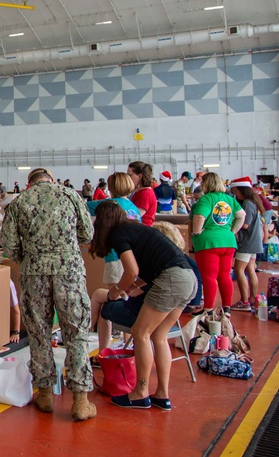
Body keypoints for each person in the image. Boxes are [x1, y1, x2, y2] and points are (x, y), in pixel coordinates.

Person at [0, 167, 96, 422]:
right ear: (51, 180)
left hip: (34, 273)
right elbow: (87, 232)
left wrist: (31, 258)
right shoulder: (70, 195)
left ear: (29, 183)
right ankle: (80, 401)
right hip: (69, 271)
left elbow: (8, 244)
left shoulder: (19, 202)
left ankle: (44, 394)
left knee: (39, 332)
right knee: (76, 333)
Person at [90, 201, 198, 410]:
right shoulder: (136, 229)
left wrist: (116, 290)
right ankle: (162, 395)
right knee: (159, 336)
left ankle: (140, 392)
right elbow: (146, 270)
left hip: (171, 280)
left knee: (141, 334)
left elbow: (131, 271)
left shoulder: (119, 235)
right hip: (188, 280)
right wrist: (129, 289)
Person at [191, 172, 245, 311]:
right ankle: (226, 308)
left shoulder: (206, 199)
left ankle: (208, 308)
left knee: (209, 276)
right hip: (228, 241)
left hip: (208, 242)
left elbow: (199, 217)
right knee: (225, 275)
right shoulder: (229, 199)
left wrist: (196, 233)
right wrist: (232, 231)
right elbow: (241, 216)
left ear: (207, 184)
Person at [228, 178, 264, 311]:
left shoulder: (247, 204)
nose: (235, 194)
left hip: (247, 241)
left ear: (242, 190)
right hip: (254, 240)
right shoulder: (253, 202)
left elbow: (245, 224)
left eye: (236, 191)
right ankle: (252, 299)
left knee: (239, 269)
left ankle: (244, 301)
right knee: (250, 269)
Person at [127, 161, 158, 226]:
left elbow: (134, 216)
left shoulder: (145, 194)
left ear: (140, 176)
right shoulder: (139, 192)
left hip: (142, 231)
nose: (128, 178)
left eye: (129, 175)